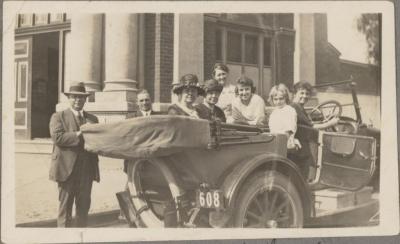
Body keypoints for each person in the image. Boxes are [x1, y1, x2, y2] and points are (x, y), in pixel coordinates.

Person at [49, 82, 100, 227]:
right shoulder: (58, 117)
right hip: (66, 169)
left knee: (83, 207)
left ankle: (80, 237)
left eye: (81, 97)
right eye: (74, 97)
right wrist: (80, 133)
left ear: (86, 99)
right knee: (65, 208)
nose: (78, 100)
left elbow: (98, 141)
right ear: (69, 98)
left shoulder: (93, 119)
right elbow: (58, 138)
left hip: (87, 170)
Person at [289, 81, 339, 180]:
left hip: (302, 142)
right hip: (300, 146)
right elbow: (311, 127)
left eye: (307, 94)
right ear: (295, 94)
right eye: (301, 93)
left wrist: (327, 119)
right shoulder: (295, 107)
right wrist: (331, 123)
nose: (305, 96)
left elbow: (308, 123)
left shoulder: (298, 107)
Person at [268, 84, 301, 150]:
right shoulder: (274, 112)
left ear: (286, 98)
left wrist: (277, 144)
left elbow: (289, 131)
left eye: (281, 99)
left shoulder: (289, 110)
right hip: (274, 140)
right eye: (275, 99)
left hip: (285, 143)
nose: (278, 102)